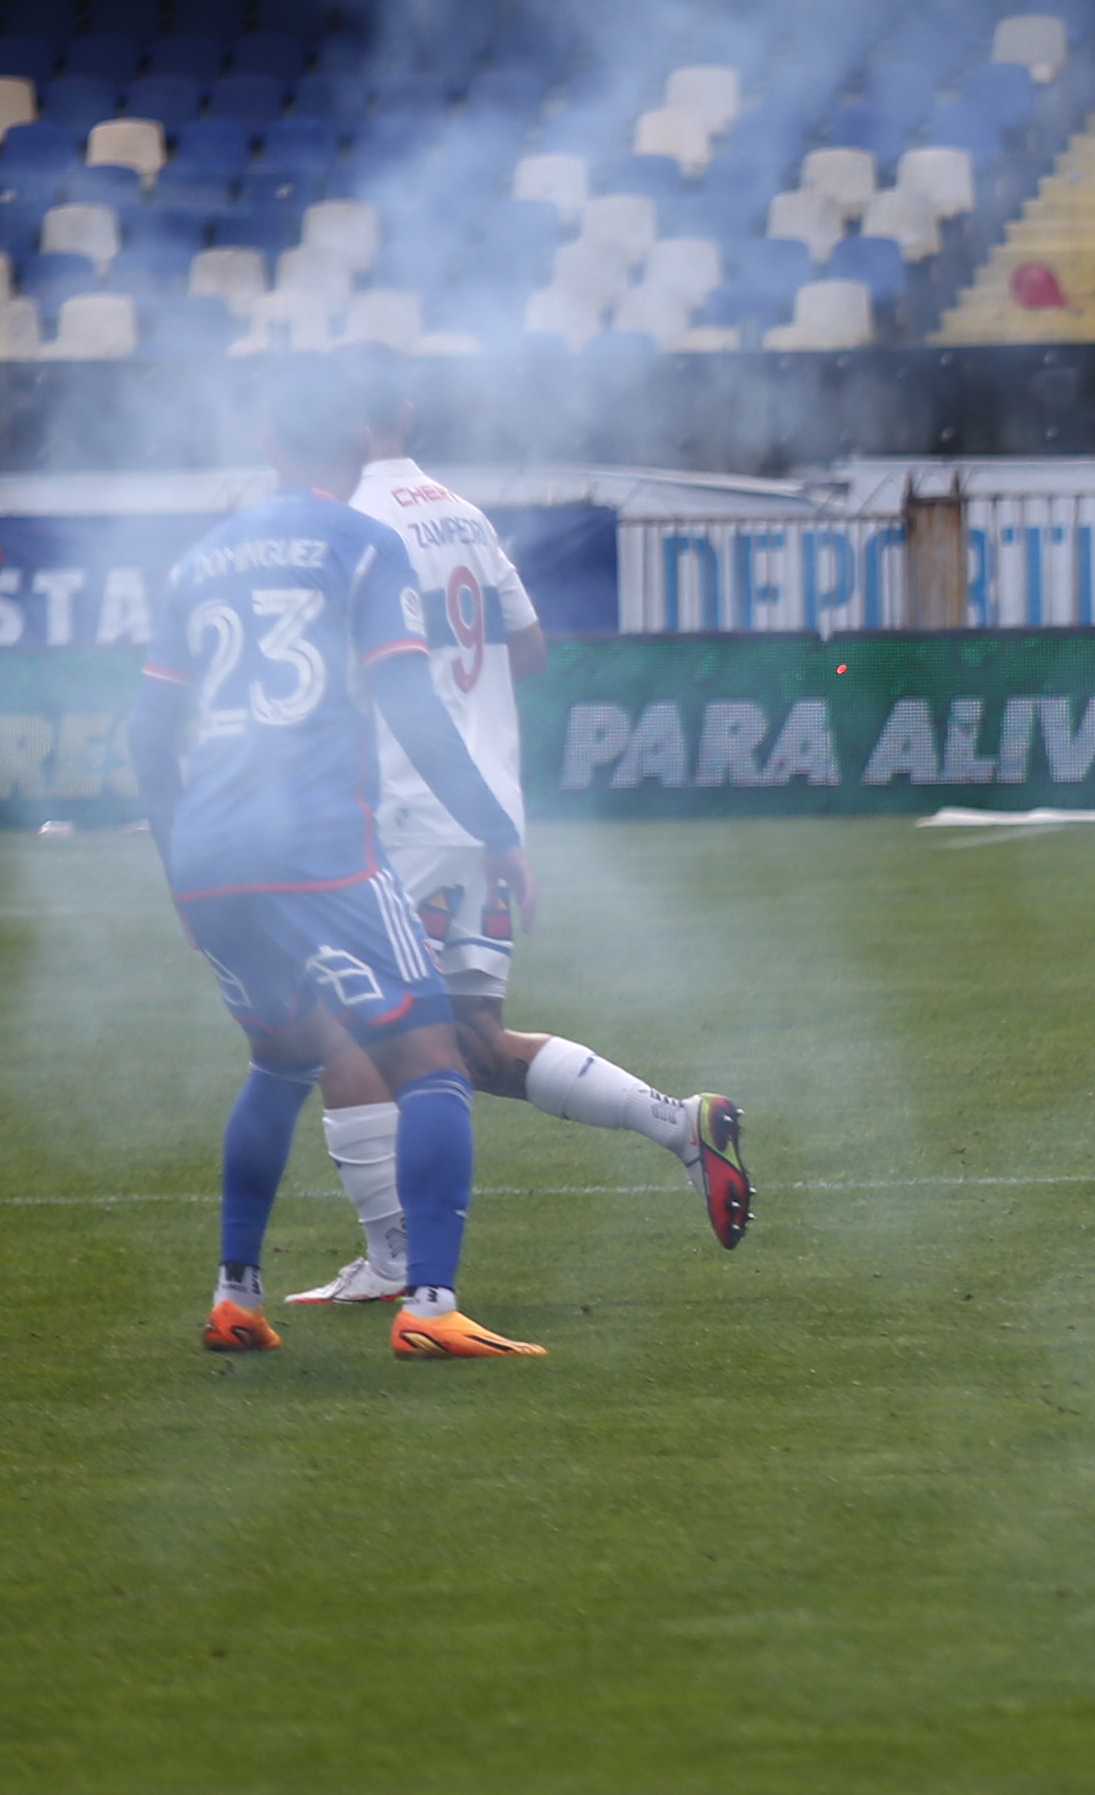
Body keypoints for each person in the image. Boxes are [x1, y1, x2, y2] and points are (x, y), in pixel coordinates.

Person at [283, 382, 749, 1311]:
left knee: (331, 1024)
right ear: (408, 416)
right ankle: (680, 1124)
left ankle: (394, 1261)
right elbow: (529, 650)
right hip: (490, 806)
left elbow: (356, 679)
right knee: (473, 1042)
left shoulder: (350, 525)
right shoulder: (462, 515)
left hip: (405, 807)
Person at [127, 363, 543, 1361]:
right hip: (320, 847)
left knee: (281, 1058)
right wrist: (497, 828)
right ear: (361, 445)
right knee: (433, 1059)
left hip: (213, 851)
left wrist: (181, 866)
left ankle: (236, 1293)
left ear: (268, 443)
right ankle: (431, 1303)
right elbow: (410, 705)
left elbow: (146, 732)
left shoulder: (200, 560)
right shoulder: (363, 542)